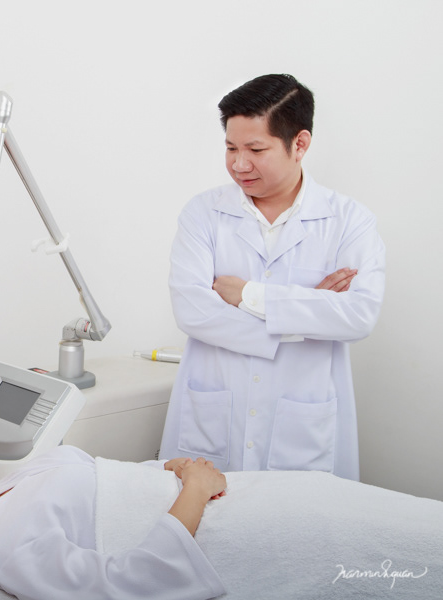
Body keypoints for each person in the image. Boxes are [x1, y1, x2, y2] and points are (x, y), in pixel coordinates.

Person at [160, 74, 385, 480]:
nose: (239, 164)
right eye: (231, 148)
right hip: (212, 422)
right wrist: (308, 311)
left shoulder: (349, 221)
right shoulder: (203, 214)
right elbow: (193, 311)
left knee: (297, 517)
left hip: (303, 424)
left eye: (255, 149)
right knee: (200, 510)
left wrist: (250, 295)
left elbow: (357, 317)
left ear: (299, 144)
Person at [0, 448, 228, 600]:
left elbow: (107, 479)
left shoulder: (7, 486)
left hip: (216, 489)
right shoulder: (4, 546)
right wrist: (196, 490)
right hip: (218, 526)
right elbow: (129, 586)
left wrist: (167, 468)